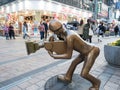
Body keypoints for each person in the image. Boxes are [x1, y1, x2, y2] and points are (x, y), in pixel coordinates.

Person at [48, 20, 101, 90]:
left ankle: (96, 83)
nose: (55, 34)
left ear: (57, 31)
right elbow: (62, 42)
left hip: (92, 51)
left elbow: (68, 55)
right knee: (74, 63)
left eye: (54, 32)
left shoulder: (69, 37)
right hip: (84, 52)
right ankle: (68, 77)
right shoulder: (66, 33)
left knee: (84, 74)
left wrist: (54, 56)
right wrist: (52, 39)